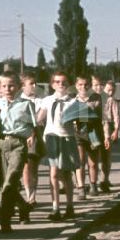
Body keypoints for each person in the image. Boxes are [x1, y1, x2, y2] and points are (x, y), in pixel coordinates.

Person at [0, 72, 36, 231]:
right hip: (0, 144)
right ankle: (23, 206)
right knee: (3, 183)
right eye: (4, 86)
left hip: (18, 144)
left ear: (19, 87)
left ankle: (5, 220)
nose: (8, 89)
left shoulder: (26, 104)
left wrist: (31, 136)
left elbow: (34, 125)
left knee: (10, 181)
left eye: (11, 85)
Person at [37, 71, 78, 221]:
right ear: (52, 84)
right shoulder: (47, 100)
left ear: (69, 84)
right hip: (51, 138)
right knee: (53, 174)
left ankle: (69, 206)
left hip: (66, 138)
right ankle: (56, 208)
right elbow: (39, 118)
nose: (61, 85)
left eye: (64, 82)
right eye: (57, 82)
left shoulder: (73, 102)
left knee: (66, 174)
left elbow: (80, 121)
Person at [74, 75, 102, 198]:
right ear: (76, 86)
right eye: (80, 84)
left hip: (92, 133)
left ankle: (93, 184)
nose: (83, 87)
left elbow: (100, 117)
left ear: (89, 85)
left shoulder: (96, 98)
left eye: (86, 84)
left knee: (93, 162)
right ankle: (80, 187)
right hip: (78, 133)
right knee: (80, 162)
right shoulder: (72, 100)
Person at [20, 74, 45, 206]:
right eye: (31, 83)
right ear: (23, 86)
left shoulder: (41, 100)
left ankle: (32, 197)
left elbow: (40, 119)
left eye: (36, 83)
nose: (35, 86)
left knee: (32, 166)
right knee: (24, 167)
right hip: (22, 134)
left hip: (36, 134)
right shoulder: (19, 100)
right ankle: (27, 194)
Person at [100, 79, 120, 192]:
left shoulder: (113, 101)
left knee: (106, 156)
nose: (110, 93)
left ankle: (105, 180)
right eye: (108, 90)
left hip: (108, 129)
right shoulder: (98, 99)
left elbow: (116, 116)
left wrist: (116, 130)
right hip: (98, 128)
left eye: (112, 90)